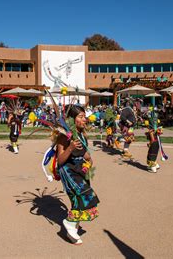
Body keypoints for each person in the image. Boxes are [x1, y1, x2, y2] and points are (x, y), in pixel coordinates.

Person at [56, 105, 99, 245]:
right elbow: (60, 160)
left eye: (84, 116)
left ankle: (72, 230)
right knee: (86, 197)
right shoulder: (64, 136)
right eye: (80, 116)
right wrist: (70, 148)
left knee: (79, 201)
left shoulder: (81, 134)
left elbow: (85, 154)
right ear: (71, 120)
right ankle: (69, 223)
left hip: (80, 170)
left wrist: (89, 161)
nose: (84, 119)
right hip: (68, 171)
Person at [145, 108, 162, 173]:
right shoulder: (157, 128)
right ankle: (156, 165)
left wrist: (149, 144)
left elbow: (152, 138)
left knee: (151, 155)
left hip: (154, 143)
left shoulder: (151, 130)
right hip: (158, 142)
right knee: (154, 154)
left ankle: (153, 168)